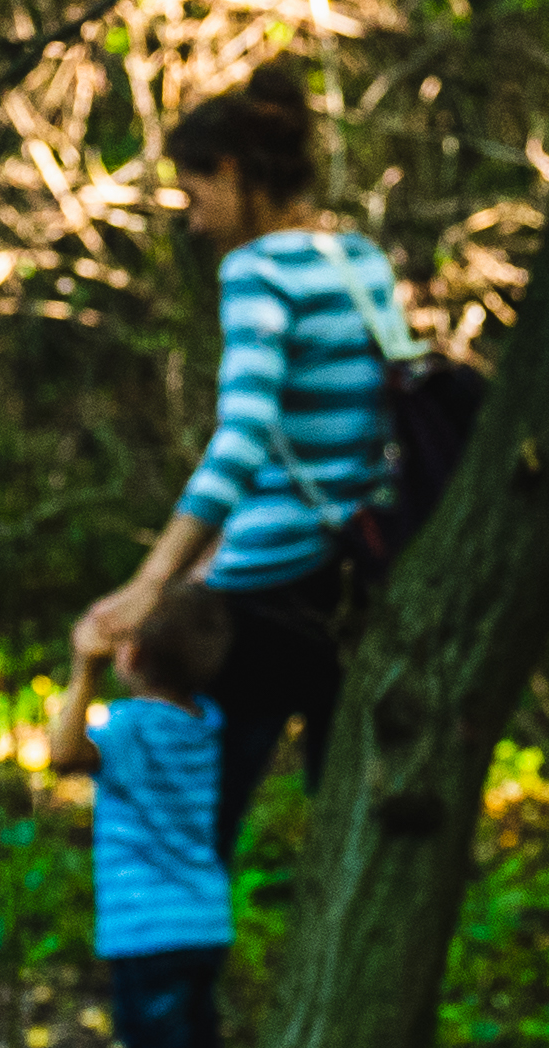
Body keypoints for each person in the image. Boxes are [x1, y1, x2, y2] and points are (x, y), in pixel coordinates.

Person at [81, 64, 404, 862]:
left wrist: (154, 582)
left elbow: (242, 439)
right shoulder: (361, 261)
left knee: (186, 831)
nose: (194, 223)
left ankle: (173, 979)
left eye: (194, 195)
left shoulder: (257, 272)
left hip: (265, 596)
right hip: (357, 578)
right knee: (344, 823)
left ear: (231, 171)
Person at [46, 589, 235, 1048]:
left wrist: (84, 669)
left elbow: (62, 755)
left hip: (143, 927)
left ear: (129, 656)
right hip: (205, 920)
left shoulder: (127, 728)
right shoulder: (207, 724)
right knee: (189, 1035)